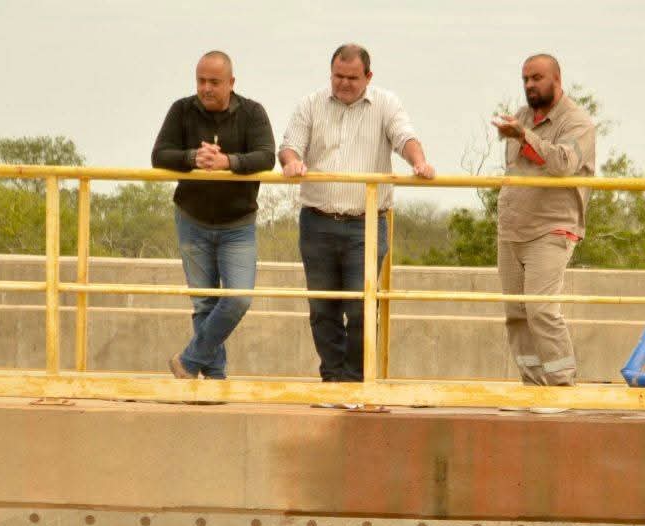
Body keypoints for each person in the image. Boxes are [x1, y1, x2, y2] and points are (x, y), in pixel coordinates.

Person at [279, 44, 435, 383]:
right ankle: (332, 380)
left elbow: (405, 137)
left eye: (352, 77)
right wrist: (291, 161)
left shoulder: (386, 104)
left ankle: (355, 381)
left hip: (364, 223)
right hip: (317, 220)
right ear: (330, 73)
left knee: (362, 308)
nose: (344, 83)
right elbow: (290, 143)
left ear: (368, 76)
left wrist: (418, 162)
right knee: (323, 309)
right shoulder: (310, 104)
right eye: (338, 76)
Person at [152, 50, 276, 380]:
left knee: (236, 300)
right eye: (201, 81)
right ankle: (214, 380)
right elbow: (160, 155)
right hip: (192, 220)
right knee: (204, 304)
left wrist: (228, 163)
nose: (206, 88)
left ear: (231, 83)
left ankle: (188, 362)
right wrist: (193, 157)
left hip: (238, 224)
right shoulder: (181, 110)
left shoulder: (252, 112)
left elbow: (266, 156)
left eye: (214, 82)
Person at [493, 53, 596, 387]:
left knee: (541, 310)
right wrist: (520, 132)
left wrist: (524, 137)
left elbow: (563, 163)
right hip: (512, 230)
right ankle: (533, 386)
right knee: (516, 313)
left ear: (557, 78)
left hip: (551, 229)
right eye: (525, 79)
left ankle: (561, 385)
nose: (529, 85)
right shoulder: (523, 116)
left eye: (537, 78)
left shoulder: (576, 121)